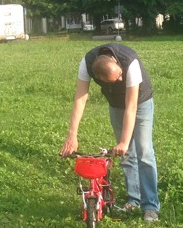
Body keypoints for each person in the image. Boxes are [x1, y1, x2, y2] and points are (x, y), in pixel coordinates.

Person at [60, 43, 161, 222]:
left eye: (120, 75)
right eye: (116, 80)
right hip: (116, 104)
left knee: (144, 151)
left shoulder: (130, 64)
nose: (121, 80)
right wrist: (72, 135)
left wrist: (123, 141)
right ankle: (134, 200)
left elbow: (131, 107)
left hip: (140, 102)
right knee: (127, 155)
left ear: (116, 62)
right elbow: (80, 98)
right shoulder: (87, 63)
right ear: (98, 77)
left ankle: (150, 206)